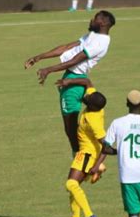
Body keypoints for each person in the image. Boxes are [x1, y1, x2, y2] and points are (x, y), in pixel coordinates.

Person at [24, 10, 115, 155]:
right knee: (75, 124)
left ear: (103, 22)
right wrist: (39, 57)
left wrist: (48, 70)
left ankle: (81, 157)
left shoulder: (100, 43)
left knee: (70, 126)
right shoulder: (94, 35)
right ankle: (87, 154)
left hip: (74, 82)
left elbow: (74, 61)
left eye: (95, 18)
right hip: (75, 78)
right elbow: (67, 47)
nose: (91, 20)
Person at [55, 77, 106, 217]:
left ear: (92, 106)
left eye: (88, 98)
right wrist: (68, 82)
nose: (86, 96)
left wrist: (96, 165)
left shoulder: (93, 120)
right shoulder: (94, 101)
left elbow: (106, 144)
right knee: (74, 185)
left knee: (71, 184)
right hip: (84, 153)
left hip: (87, 155)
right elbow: (88, 82)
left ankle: (90, 216)